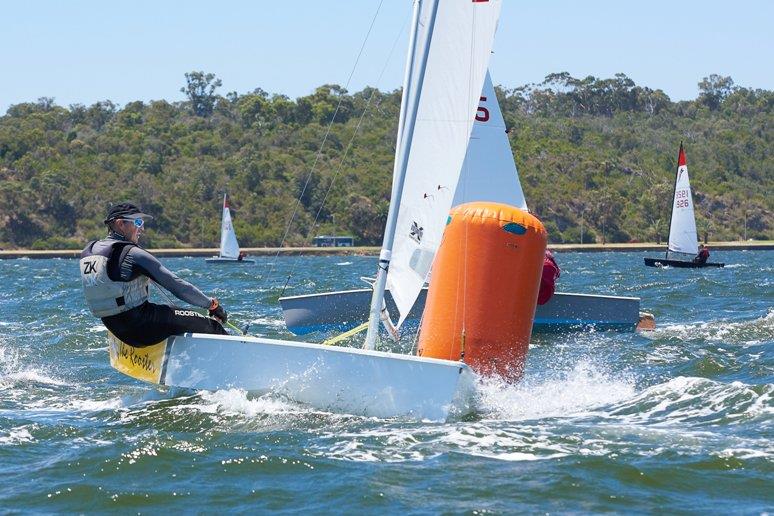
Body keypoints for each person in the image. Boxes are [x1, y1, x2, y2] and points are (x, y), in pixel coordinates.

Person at [80, 202, 229, 347]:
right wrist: (212, 305)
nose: (142, 228)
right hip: (142, 327)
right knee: (211, 325)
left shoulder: (90, 251)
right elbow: (178, 287)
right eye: (138, 222)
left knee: (176, 317)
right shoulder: (134, 254)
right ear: (120, 224)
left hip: (117, 329)